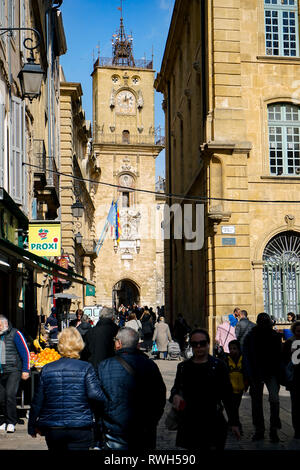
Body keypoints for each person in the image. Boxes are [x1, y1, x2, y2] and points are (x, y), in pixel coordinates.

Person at [28, 327, 104, 450]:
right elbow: (95, 395)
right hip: (80, 426)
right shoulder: (86, 368)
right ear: (79, 344)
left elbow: (38, 400)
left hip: (53, 428)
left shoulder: (47, 369)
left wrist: (32, 425)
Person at [169, 328, 240, 450]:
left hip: (213, 422)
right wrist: (175, 396)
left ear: (208, 344)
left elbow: (227, 396)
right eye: (194, 344)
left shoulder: (218, 366)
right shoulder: (183, 367)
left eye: (202, 343)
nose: (199, 347)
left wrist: (234, 423)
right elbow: (175, 389)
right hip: (190, 423)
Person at [96, 327, 166, 450]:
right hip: (144, 430)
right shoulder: (150, 365)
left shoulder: (104, 366)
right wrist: (152, 420)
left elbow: (97, 399)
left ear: (119, 343)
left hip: (115, 430)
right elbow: (160, 397)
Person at [243, 312, 282, 443]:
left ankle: (273, 429)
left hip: (271, 373)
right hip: (256, 373)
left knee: (273, 400)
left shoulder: (275, 336)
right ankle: (260, 430)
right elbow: (247, 357)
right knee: (258, 403)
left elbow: (279, 356)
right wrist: (248, 374)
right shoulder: (251, 337)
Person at [0, 316, 30, 433]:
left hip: (13, 370)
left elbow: (25, 352)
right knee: (1, 398)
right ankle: (4, 420)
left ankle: (11, 422)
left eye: (0, 326)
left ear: (5, 324)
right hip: (1, 371)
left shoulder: (15, 334)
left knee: (10, 395)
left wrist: (26, 370)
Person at [282, 320, 300, 439]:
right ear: (294, 331)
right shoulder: (290, 342)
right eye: (298, 331)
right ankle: (297, 430)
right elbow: (286, 360)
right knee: (296, 405)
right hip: (295, 379)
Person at [225, 340, 247, 434]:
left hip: (239, 388)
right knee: (231, 408)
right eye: (230, 349)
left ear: (239, 349)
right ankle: (236, 425)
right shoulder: (226, 359)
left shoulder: (243, 359)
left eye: (234, 348)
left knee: (234, 408)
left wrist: (246, 385)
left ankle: (231, 424)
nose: (232, 350)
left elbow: (246, 372)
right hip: (229, 389)